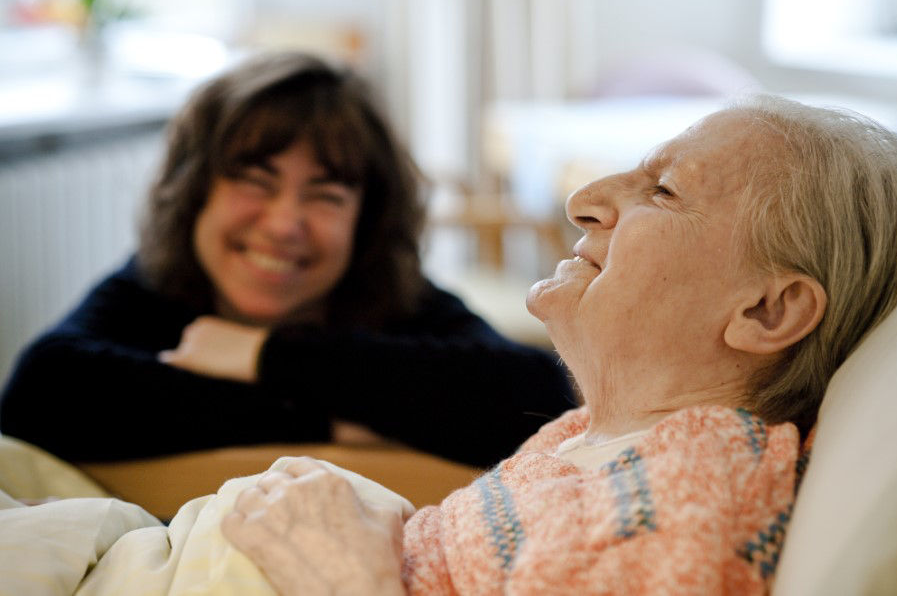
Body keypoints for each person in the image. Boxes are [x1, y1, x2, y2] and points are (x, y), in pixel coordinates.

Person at [214, 96, 897, 595]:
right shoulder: (593, 437)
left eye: (662, 191)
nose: (583, 200)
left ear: (766, 310)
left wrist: (345, 576)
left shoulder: (693, 481)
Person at [0, 51, 575, 468]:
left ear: (366, 219)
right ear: (195, 193)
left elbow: (540, 399)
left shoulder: (393, 294)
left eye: (325, 195)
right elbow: (41, 393)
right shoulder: (153, 285)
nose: (283, 224)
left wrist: (262, 354)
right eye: (254, 181)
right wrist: (327, 422)